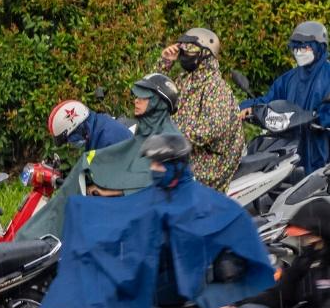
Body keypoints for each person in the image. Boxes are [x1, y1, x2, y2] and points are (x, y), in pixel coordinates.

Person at [41, 134, 273, 308]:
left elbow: (232, 219)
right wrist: (88, 210)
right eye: (151, 164)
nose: (153, 170)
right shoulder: (161, 192)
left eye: (159, 165)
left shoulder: (196, 200)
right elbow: (131, 211)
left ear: (176, 166)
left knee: (142, 285)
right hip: (162, 268)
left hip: (186, 279)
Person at [20, 73, 182, 242]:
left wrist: (104, 191)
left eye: (143, 98)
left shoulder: (112, 137)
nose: (136, 100)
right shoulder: (100, 130)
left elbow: (136, 179)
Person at [155, 27, 242, 191]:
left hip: (208, 163)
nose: (184, 53)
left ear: (206, 54)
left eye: (190, 48)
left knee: (155, 178)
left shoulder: (215, 87)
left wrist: (169, 140)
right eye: (182, 47)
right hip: (184, 155)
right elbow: (154, 96)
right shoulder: (185, 80)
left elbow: (210, 129)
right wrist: (165, 63)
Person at [240, 21, 330, 174]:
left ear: (319, 48)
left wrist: (321, 118)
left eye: (305, 47)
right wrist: (248, 107)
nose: (299, 52)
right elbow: (269, 100)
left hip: (321, 147)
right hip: (289, 146)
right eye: (296, 47)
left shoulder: (328, 75)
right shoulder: (288, 79)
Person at [48, 99, 132, 150]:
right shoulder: (96, 128)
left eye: (69, 138)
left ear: (78, 128)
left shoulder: (106, 140)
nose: (70, 143)